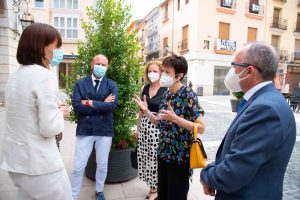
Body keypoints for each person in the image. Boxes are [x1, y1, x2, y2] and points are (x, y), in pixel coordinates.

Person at [200, 42, 296, 200]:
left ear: (249, 71)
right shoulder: (265, 100)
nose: (231, 71)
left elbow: (233, 173)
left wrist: (206, 174)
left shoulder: (265, 108)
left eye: (234, 65)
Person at [0, 23, 72, 200]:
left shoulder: (15, 76)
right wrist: (61, 113)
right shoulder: (44, 76)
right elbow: (49, 128)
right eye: (57, 46)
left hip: (16, 163)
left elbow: (25, 113)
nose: (59, 50)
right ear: (42, 47)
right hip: (41, 165)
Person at [134, 55, 205, 200]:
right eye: (163, 71)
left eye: (167, 72)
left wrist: (176, 119)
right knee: (163, 194)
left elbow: (201, 127)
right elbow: (159, 123)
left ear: (179, 76)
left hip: (180, 157)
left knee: (176, 195)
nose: (163, 75)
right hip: (163, 153)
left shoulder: (188, 95)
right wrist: (146, 111)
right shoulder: (166, 94)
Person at [71, 54, 118, 200]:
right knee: (78, 166)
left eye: (104, 65)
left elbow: (112, 106)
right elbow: (77, 107)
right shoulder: (80, 83)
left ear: (107, 66)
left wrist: (90, 102)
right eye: (98, 64)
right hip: (85, 130)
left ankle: (99, 191)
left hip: (104, 131)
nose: (101, 67)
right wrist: (101, 103)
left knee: (102, 165)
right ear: (92, 65)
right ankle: (72, 195)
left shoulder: (112, 84)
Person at [136, 61, 167, 200]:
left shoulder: (166, 89)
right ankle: (152, 186)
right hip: (145, 126)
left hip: (158, 127)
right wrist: (138, 128)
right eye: (149, 71)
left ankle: (156, 188)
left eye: (155, 71)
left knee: (156, 158)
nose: (151, 74)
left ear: (161, 72)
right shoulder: (145, 88)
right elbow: (141, 111)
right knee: (146, 156)